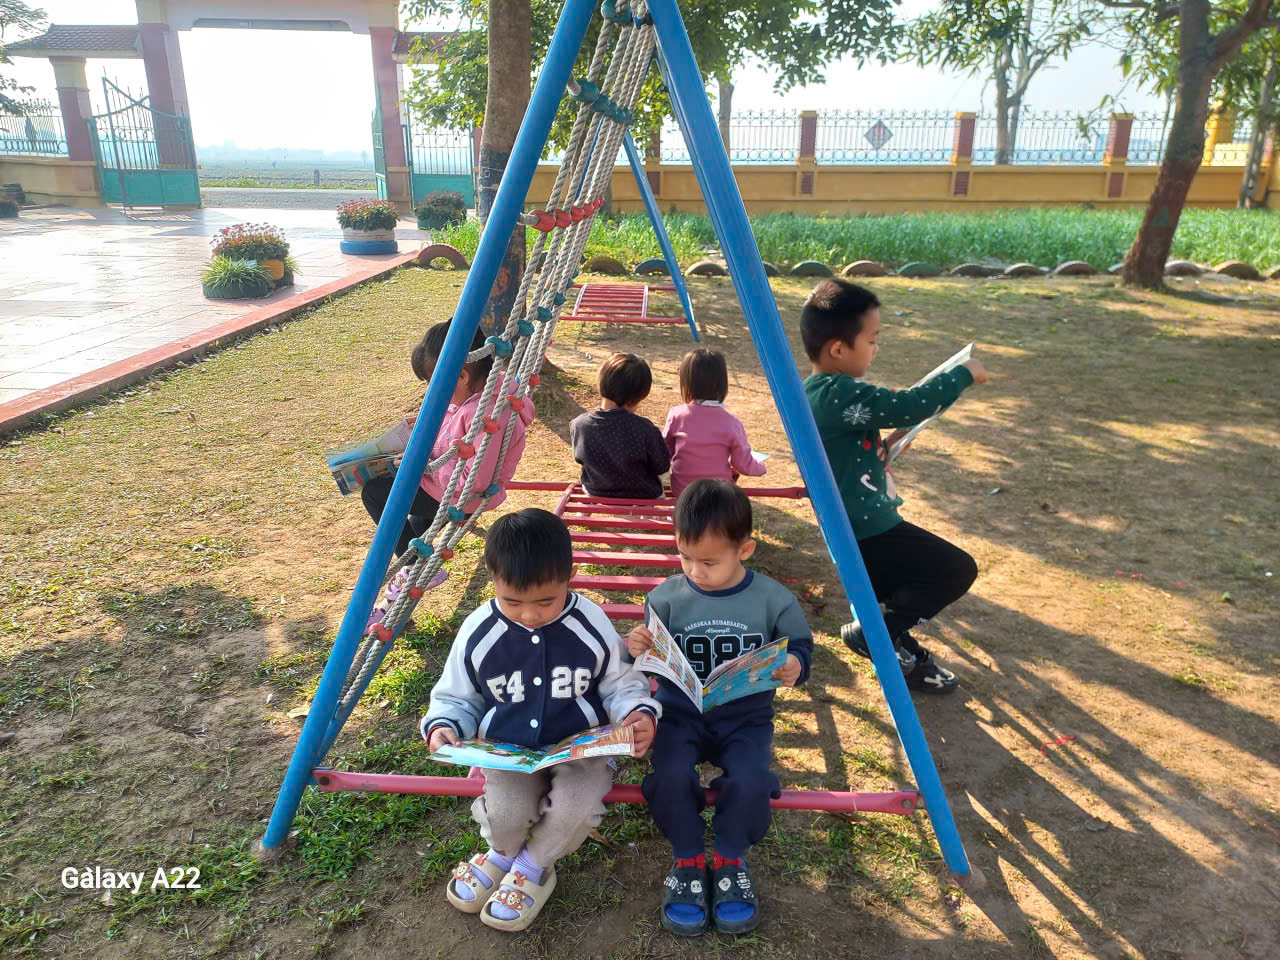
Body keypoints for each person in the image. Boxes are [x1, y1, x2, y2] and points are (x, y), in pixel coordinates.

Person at [422, 508, 660, 932]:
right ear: (493, 579)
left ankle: (533, 867)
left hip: (581, 748)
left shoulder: (590, 623)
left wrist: (637, 713)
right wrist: (445, 725)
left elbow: (621, 682)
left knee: (575, 808)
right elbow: (458, 695)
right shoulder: (479, 631)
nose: (529, 615)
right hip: (509, 749)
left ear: (570, 577)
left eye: (546, 602)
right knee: (505, 813)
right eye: (512, 602)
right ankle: (501, 854)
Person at [625, 479, 812, 936]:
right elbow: (649, 652)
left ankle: (730, 856)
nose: (695, 571)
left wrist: (794, 663)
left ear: (744, 550)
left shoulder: (773, 599)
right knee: (668, 776)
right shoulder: (666, 597)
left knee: (751, 779)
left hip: (745, 717)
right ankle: (688, 857)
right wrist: (637, 646)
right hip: (679, 712)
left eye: (709, 561)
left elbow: (800, 647)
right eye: (685, 557)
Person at [800, 278, 989, 694]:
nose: (876, 348)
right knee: (957, 569)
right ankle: (879, 634)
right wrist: (962, 375)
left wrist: (886, 445)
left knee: (908, 585)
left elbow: (845, 457)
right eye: (872, 340)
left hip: (860, 527)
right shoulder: (837, 393)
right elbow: (909, 404)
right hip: (870, 532)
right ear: (838, 349)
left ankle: (895, 642)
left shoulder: (822, 394)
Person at [361, 318, 536, 561]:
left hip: (460, 498)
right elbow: (456, 422)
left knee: (374, 492)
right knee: (417, 524)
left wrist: (426, 468)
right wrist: (426, 424)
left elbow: (473, 482)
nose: (432, 391)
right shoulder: (492, 389)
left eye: (434, 384)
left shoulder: (488, 417)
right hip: (445, 488)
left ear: (462, 377)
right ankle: (417, 562)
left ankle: (412, 566)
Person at [663, 348, 767, 497]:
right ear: (722, 384)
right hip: (717, 495)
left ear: (686, 383)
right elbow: (743, 464)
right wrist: (761, 467)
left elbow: (665, 452)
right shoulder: (732, 423)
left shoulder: (676, 415)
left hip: (682, 493)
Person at [570, 352, 670, 499]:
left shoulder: (579, 425)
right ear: (638, 396)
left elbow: (580, 458)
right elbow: (662, 466)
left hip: (596, 491)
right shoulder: (645, 429)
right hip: (643, 494)